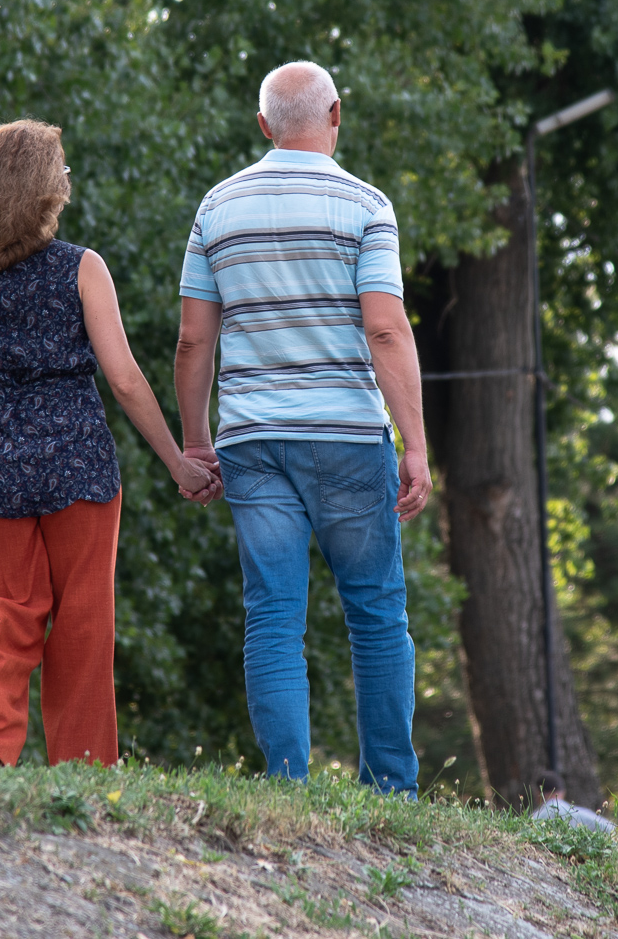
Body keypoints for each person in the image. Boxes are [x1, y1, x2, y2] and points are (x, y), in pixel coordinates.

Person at [0, 119, 220, 767]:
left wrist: (2, 384)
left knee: (8, 615)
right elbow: (124, 379)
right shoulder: (81, 268)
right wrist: (178, 461)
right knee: (84, 624)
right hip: (77, 466)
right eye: (61, 169)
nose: (67, 179)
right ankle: (83, 768)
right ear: (41, 190)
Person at [174, 61, 430, 795]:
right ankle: (391, 790)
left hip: (252, 441)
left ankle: (286, 788)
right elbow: (385, 330)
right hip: (348, 436)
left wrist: (197, 440)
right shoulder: (366, 207)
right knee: (376, 612)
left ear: (264, 126)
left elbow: (195, 341)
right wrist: (415, 445)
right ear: (336, 114)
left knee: (275, 616)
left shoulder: (217, 208)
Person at [530, 771, 616, 833]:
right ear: (563, 792)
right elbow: (612, 830)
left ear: (538, 793)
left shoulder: (544, 812)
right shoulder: (582, 813)